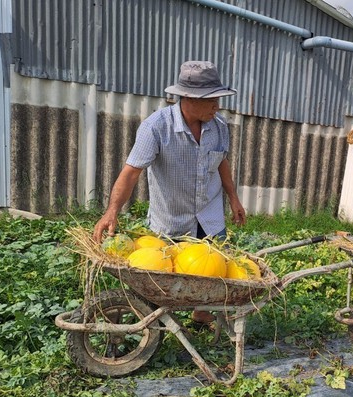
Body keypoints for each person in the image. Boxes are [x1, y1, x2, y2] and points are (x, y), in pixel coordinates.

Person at [93, 60, 246, 324]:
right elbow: (131, 172)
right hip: (172, 220)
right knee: (164, 279)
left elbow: (222, 162)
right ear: (187, 98)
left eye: (217, 98)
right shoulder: (156, 127)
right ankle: (156, 324)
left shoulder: (219, 127)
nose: (217, 106)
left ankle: (201, 312)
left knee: (212, 275)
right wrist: (111, 211)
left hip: (210, 218)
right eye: (210, 99)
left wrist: (233, 199)